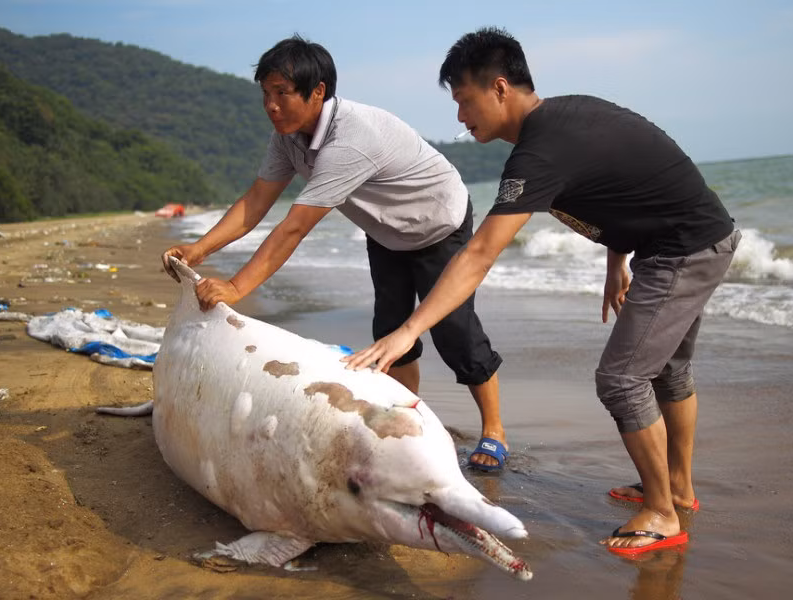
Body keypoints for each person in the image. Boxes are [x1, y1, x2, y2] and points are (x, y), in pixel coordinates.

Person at [343, 27, 740, 554]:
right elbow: (627, 186)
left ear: (499, 88)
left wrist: (409, 330)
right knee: (667, 370)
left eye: (464, 100)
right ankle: (678, 489)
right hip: (692, 238)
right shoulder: (566, 120)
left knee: (622, 379)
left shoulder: (540, 152)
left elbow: (479, 254)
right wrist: (616, 260)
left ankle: (663, 514)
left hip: (683, 249)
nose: (460, 116)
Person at [161, 35, 510, 471]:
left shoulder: (350, 138)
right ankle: (411, 421)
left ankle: (495, 430)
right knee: (390, 331)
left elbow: (294, 227)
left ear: (318, 92)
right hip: (386, 231)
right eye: (266, 94)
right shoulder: (288, 137)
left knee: (455, 333)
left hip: (438, 223)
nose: (271, 106)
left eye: (282, 93)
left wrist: (235, 287)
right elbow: (256, 201)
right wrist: (198, 249)